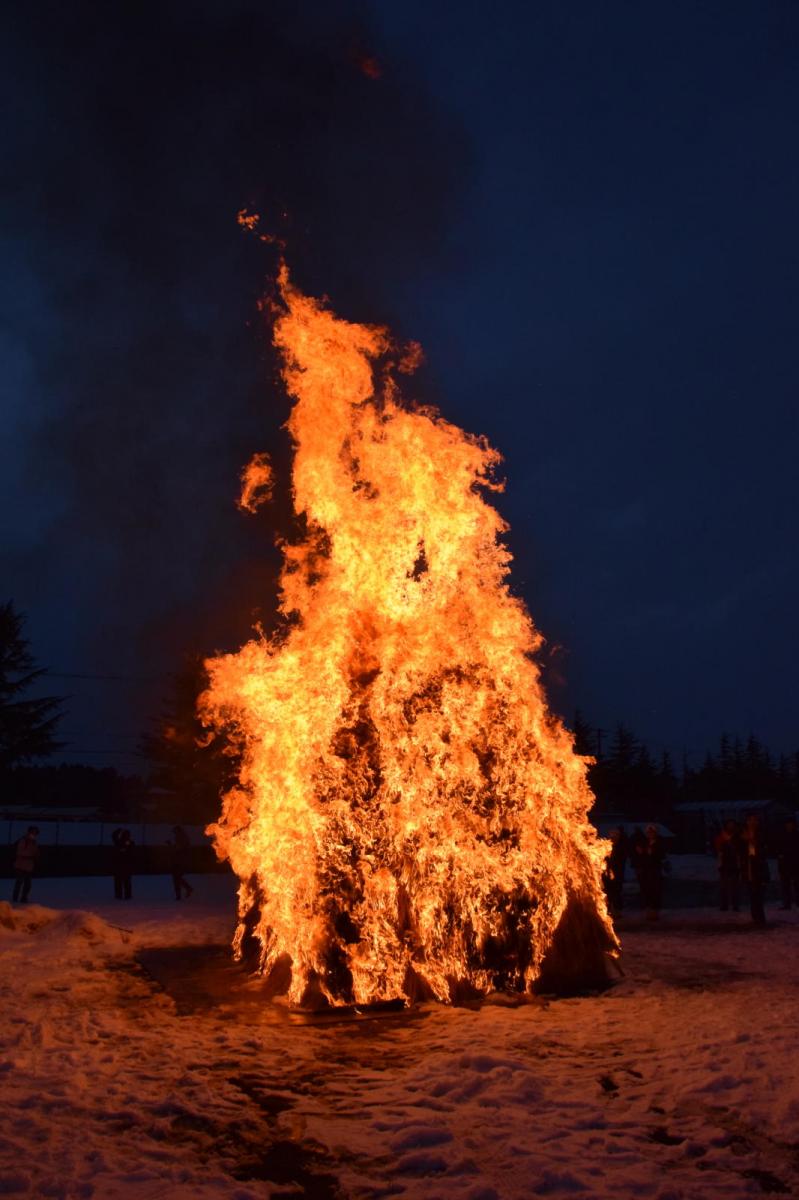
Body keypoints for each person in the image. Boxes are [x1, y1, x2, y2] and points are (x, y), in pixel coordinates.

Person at [740, 812, 768, 926]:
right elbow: (738, 849)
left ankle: (760, 917)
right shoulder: (742, 834)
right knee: (752, 892)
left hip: (758, 866)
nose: (752, 822)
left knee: (759, 893)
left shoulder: (761, 833)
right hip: (748, 866)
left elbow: (764, 849)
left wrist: (752, 842)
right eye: (750, 820)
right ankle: (755, 915)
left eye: (754, 820)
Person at [636, 824, 666, 920]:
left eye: (652, 832)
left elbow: (662, 855)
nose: (650, 834)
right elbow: (640, 856)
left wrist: (653, 853)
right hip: (645, 870)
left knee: (655, 891)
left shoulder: (660, 842)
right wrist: (641, 853)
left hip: (655, 870)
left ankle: (655, 912)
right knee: (646, 890)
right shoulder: (644, 842)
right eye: (649, 832)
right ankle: (649, 911)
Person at [714, 819, 742, 912]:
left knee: (735, 886)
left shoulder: (737, 836)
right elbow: (718, 849)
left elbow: (739, 849)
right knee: (724, 886)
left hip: (734, 864)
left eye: (732, 825)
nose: (731, 826)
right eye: (729, 825)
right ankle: (724, 905)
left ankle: (735, 905)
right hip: (724, 864)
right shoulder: (721, 837)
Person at [603, 826, 627, 917]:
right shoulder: (605, 847)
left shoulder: (621, 848)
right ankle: (608, 911)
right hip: (606, 874)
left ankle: (617, 911)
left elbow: (620, 861)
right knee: (607, 892)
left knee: (617, 892)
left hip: (617, 874)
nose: (613, 838)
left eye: (615, 836)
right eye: (612, 836)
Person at [12, 826, 40, 903]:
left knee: (27, 884)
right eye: (33, 832)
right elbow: (20, 852)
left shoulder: (33, 842)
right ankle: (15, 898)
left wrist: (35, 855)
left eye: (35, 833)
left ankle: (23, 898)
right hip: (21, 865)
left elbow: (35, 852)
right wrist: (31, 856)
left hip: (28, 866)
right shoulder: (23, 841)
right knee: (19, 882)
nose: (34, 834)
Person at [776, 816, 799, 910]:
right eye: (788, 824)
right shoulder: (782, 836)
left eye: (791, 824)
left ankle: (796, 902)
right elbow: (777, 849)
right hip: (785, 864)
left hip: (796, 863)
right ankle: (787, 904)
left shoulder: (797, 835)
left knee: (797, 884)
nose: (789, 826)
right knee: (785, 885)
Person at [167, 825, 194, 901]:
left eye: (175, 832)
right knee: (177, 878)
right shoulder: (181, 838)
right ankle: (184, 892)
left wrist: (170, 845)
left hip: (180, 861)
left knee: (176, 878)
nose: (174, 833)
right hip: (179, 861)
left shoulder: (181, 838)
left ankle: (183, 892)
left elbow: (178, 849)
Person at [111, 827, 135, 900]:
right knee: (126, 881)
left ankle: (119, 895)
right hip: (126, 866)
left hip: (119, 865)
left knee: (119, 881)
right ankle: (127, 895)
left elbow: (114, 836)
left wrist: (118, 830)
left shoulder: (119, 842)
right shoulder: (130, 842)